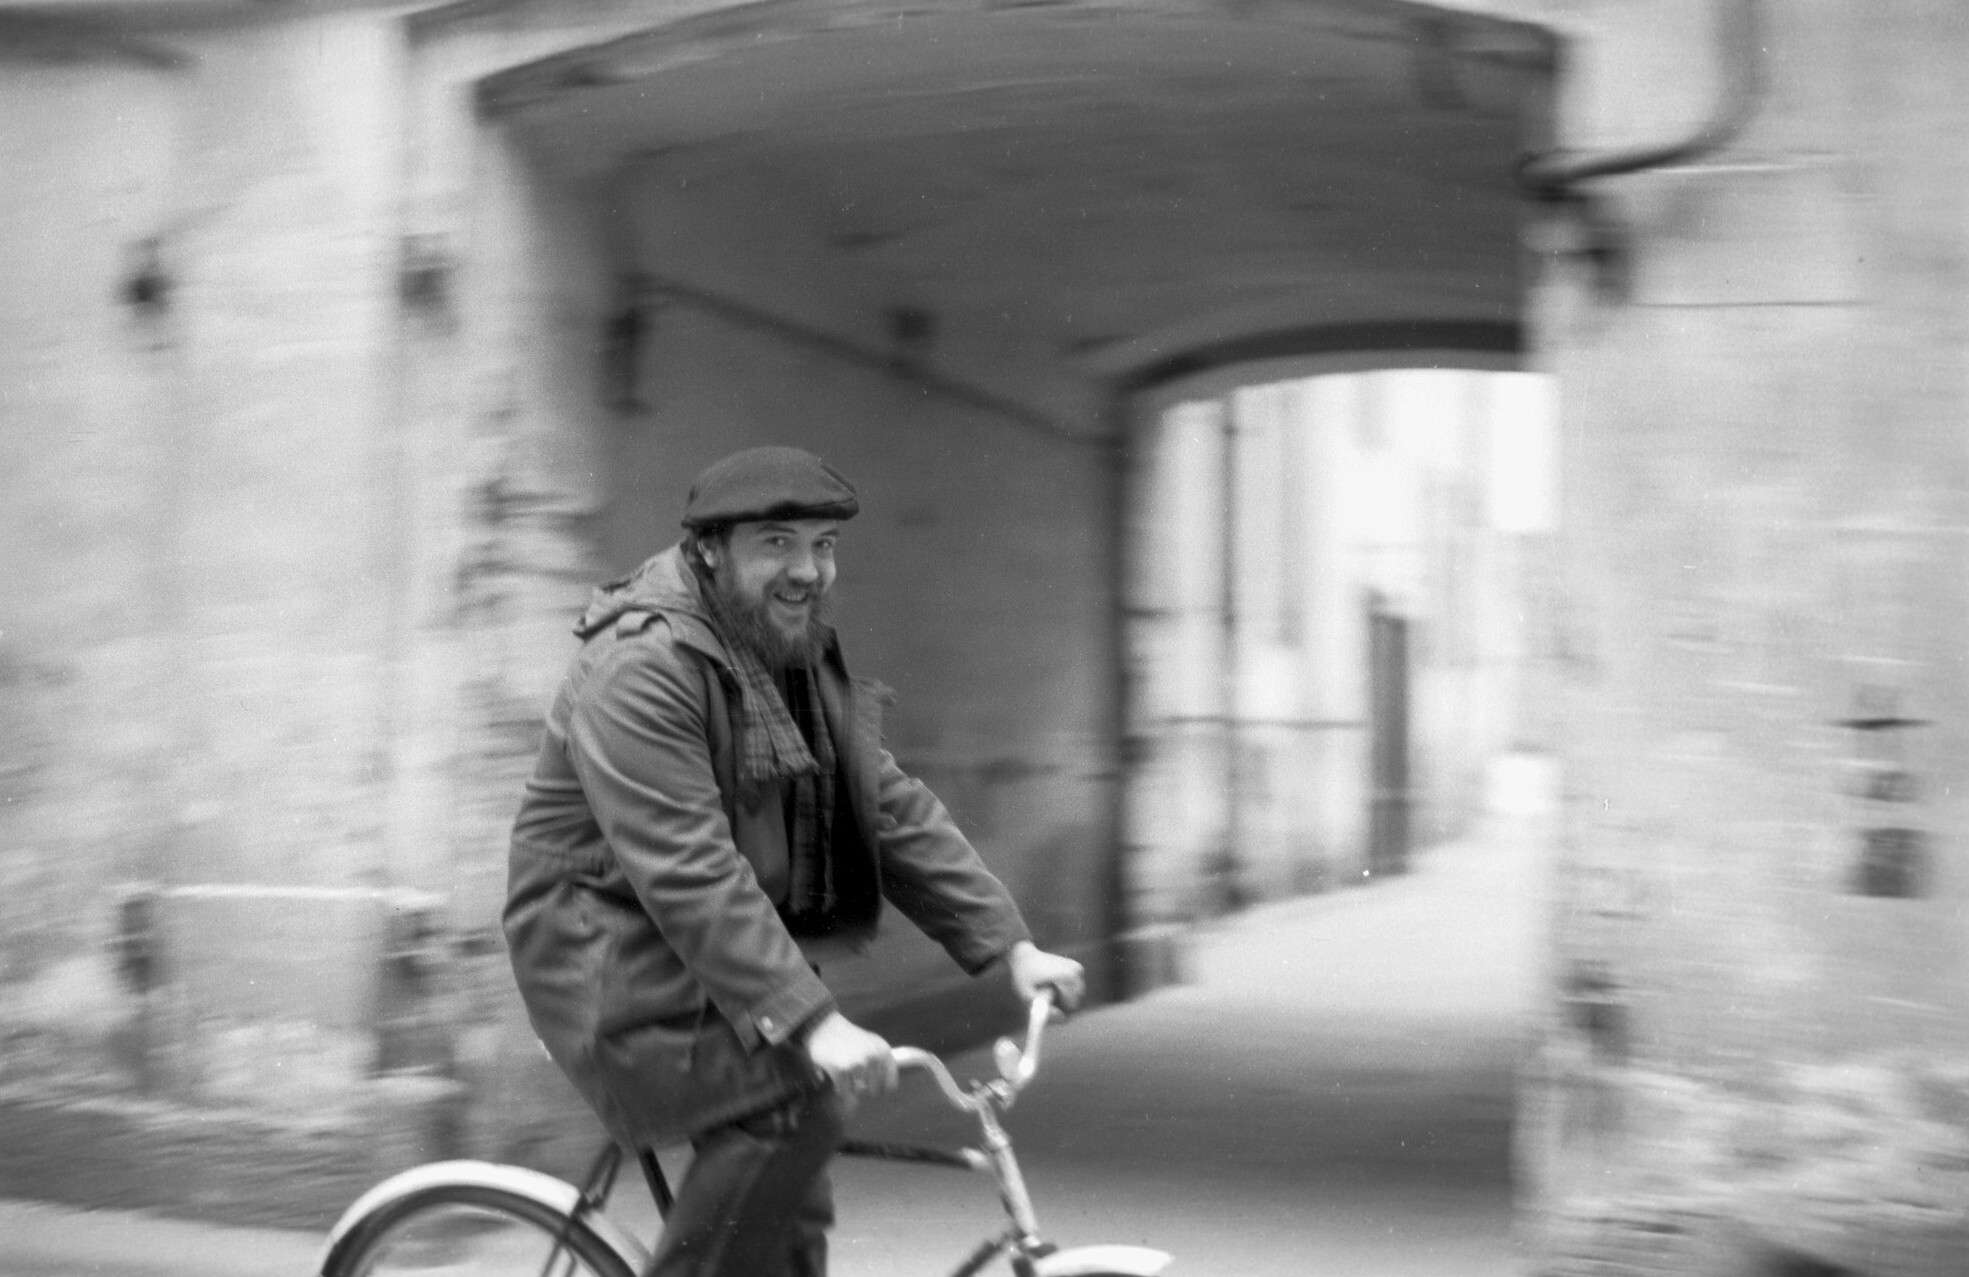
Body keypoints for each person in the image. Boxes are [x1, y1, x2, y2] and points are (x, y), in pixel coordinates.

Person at [503, 445, 1086, 1277]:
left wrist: (1011, 947)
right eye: (777, 543)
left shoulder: (777, 649)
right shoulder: (639, 668)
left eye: (823, 545)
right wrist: (812, 1021)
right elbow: (687, 867)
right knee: (781, 1112)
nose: (808, 570)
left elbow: (883, 806)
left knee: (792, 1184)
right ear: (709, 550)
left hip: (697, 947)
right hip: (603, 950)